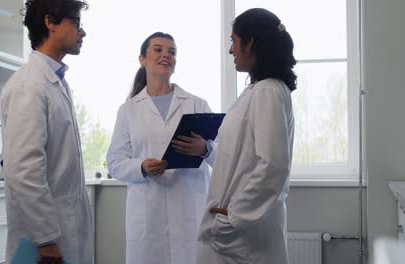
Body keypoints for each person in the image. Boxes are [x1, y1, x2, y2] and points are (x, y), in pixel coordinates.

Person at [196, 8, 297, 264]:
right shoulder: (259, 91)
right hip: (240, 234)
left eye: (233, 40)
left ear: (250, 43)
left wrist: (233, 218)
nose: (231, 49)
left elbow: (272, 167)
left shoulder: (268, 92)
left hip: (244, 237)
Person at [107, 32, 216, 264]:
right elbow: (115, 162)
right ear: (142, 59)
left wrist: (204, 149)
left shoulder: (197, 104)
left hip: (190, 213)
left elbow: (224, 156)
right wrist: (141, 166)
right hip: (148, 217)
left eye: (172, 51)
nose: (166, 54)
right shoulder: (128, 110)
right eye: (158, 49)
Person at [0, 0, 93, 263]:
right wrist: (46, 239)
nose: (82, 32)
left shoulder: (56, 82)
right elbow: (24, 170)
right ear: (50, 23)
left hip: (63, 230)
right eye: (76, 23)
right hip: (43, 243)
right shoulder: (29, 86)